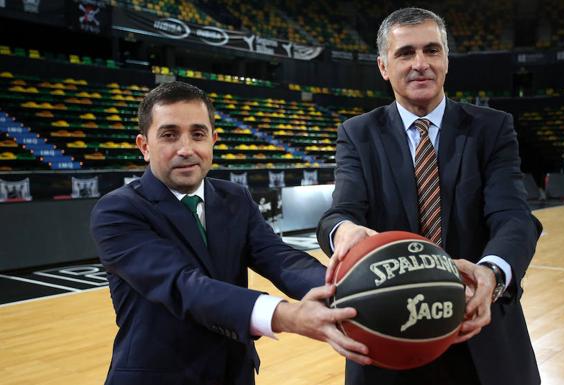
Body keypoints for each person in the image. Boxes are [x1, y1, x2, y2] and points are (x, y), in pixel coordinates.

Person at [90, 81, 370, 385]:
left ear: (213, 140)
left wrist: (346, 291)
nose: (186, 149)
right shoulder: (117, 211)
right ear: (144, 146)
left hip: (233, 373)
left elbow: (279, 258)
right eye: (169, 135)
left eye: (198, 134)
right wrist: (286, 315)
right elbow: (183, 285)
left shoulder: (234, 198)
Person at [317, 7, 542, 385]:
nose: (420, 63)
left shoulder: (492, 128)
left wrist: (492, 274)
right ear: (383, 66)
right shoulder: (358, 133)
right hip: (388, 332)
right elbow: (340, 213)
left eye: (431, 50)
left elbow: (514, 216)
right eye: (405, 53)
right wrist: (344, 232)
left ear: (446, 60)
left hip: (480, 330)